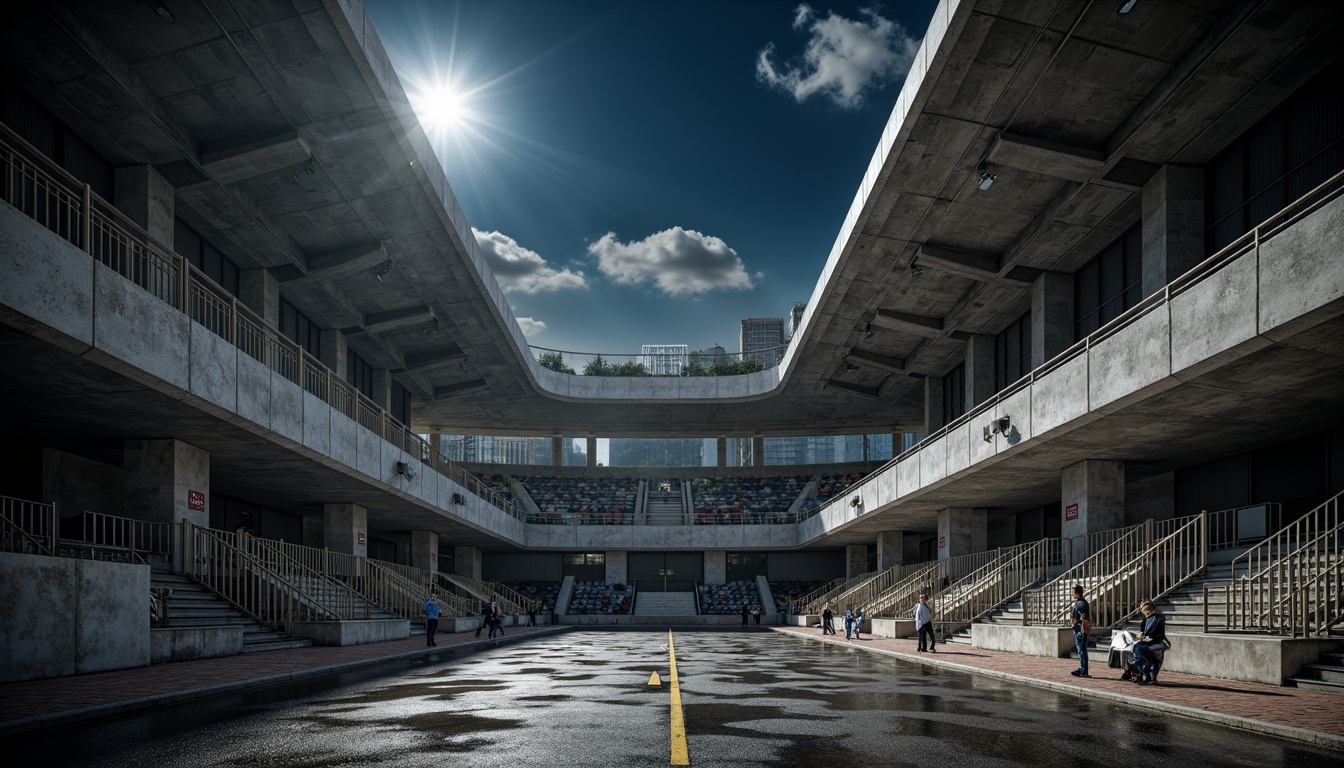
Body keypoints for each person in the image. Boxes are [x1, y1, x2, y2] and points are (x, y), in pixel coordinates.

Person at [1131, 600, 1169, 685]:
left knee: (1137, 648)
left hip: (1155, 643)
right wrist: (1140, 636)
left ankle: (1141, 674)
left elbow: (1159, 635)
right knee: (1137, 647)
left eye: (1146, 610)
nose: (1145, 613)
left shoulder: (1158, 620)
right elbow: (1142, 632)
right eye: (1144, 611)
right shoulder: (1145, 620)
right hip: (1148, 642)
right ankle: (1143, 673)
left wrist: (1145, 637)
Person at [1070, 585, 1091, 678]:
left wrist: (1082, 631)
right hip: (1078, 629)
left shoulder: (1081, 604)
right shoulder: (1079, 602)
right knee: (1080, 650)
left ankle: (1084, 670)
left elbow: (1083, 619)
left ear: (1077, 593)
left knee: (1082, 650)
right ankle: (1082, 668)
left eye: (1073, 592)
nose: (1072, 594)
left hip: (1080, 630)